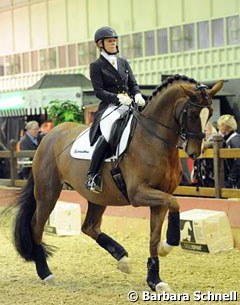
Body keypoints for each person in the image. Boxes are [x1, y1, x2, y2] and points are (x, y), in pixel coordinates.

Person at [85, 26, 146, 193]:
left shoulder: (123, 62)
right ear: (100, 44)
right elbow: (99, 91)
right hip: (109, 107)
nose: (113, 43)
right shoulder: (96, 66)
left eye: (114, 41)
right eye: (110, 41)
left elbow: (132, 83)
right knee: (108, 131)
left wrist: (138, 94)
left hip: (128, 104)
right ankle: (92, 176)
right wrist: (117, 97)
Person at [217, 115, 240, 188]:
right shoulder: (229, 140)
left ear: (224, 127)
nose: (218, 128)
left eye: (219, 126)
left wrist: (231, 179)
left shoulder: (235, 140)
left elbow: (238, 161)